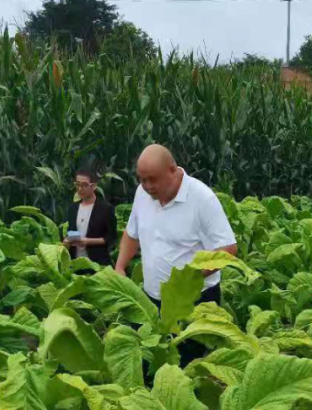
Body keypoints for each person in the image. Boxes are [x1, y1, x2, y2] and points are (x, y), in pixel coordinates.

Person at [115, 144, 237, 364]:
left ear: (172, 169)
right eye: (142, 179)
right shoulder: (142, 194)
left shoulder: (202, 199)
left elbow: (227, 249)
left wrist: (186, 279)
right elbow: (131, 234)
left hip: (192, 302)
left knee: (185, 370)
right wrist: (120, 266)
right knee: (146, 363)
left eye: (153, 179)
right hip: (151, 299)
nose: (147, 186)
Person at [62, 165, 118, 266]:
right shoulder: (72, 209)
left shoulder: (106, 209)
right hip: (75, 265)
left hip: (98, 264)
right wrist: (67, 240)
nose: (80, 188)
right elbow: (71, 231)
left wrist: (89, 241)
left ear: (93, 186)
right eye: (77, 184)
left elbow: (111, 237)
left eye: (84, 185)